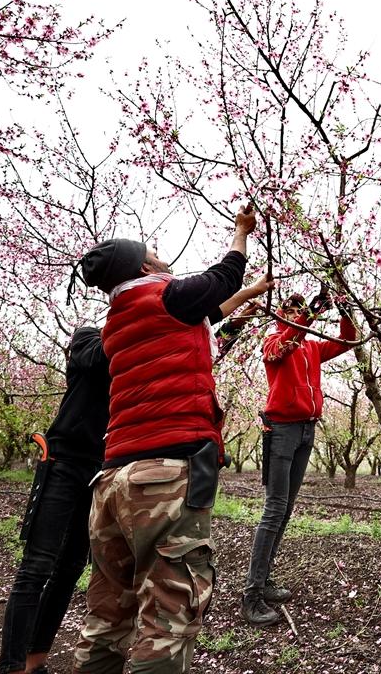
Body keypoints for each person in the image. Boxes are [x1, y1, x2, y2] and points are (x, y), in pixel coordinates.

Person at [72, 205, 271, 674]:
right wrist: (241, 233)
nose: (164, 260)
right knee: (167, 618)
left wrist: (246, 298)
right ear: (144, 268)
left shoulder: (119, 321)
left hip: (112, 481)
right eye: (156, 255)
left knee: (107, 615)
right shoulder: (163, 295)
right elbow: (219, 278)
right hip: (162, 478)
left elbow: (193, 321)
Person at [239, 288, 357, 626]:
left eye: (299, 308)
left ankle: (264, 580)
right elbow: (283, 342)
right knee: (274, 508)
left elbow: (347, 339)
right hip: (280, 429)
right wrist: (311, 313)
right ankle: (251, 595)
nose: (294, 312)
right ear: (280, 313)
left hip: (306, 428)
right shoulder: (273, 341)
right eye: (289, 308)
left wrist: (345, 307)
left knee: (286, 509)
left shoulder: (312, 347)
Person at [0, 327, 109, 674]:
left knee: (71, 568)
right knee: (36, 568)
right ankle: (11, 668)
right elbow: (97, 357)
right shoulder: (88, 339)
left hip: (99, 468)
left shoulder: (137, 353)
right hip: (63, 463)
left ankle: (35, 661)